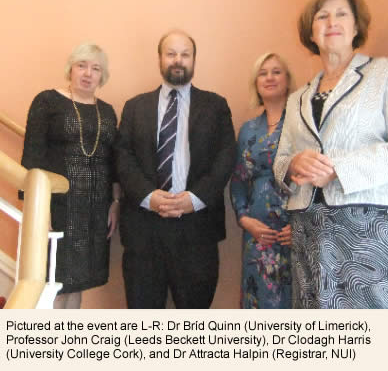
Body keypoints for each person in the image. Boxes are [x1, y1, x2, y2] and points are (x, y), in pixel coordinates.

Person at [273, 0, 388, 309]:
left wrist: (339, 168)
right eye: (322, 16)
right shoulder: (297, 98)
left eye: (341, 14)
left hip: (370, 225)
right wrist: (293, 165)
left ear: (356, 26)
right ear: (311, 30)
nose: (331, 21)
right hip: (309, 228)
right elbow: (281, 159)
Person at [115, 29, 236, 309]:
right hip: (143, 231)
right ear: (160, 59)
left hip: (197, 231)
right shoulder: (135, 107)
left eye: (185, 54)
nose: (178, 60)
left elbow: (226, 157)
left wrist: (194, 199)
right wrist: (149, 196)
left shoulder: (216, 106)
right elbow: (123, 157)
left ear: (194, 59)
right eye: (171, 54)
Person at [21, 42, 121, 309]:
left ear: (103, 76)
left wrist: (114, 203)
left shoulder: (108, 111)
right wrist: (37, 210)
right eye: (82, 66)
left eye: (95, 68)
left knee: (80, 282)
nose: (88, 73)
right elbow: (32, 157)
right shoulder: (47, 101)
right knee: (56, 280)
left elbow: (112, 162)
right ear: (70, 69)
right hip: (58, 208)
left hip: (95, 211)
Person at [230, 52, 293, 309]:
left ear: (288, 80)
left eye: (276, 71)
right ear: (256, 83)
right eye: (263, 73)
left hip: (292, 233)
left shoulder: (301, 123)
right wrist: (244, 219)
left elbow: (316, 180)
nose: (269, 77)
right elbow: (238, 180)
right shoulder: (248, 129)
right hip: (257, 235)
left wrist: (303, 226)